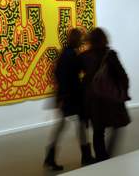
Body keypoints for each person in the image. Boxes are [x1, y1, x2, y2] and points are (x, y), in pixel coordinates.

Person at [44, 28, 94, 171]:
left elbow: (57, 74)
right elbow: (68, 77)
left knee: (64, 126)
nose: (82, 41)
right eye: (80, 39)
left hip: (66, 97)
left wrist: (61, 96)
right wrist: (64, 97)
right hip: (71, 98)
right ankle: (86, 156)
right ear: (76, 40)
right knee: (80, 124)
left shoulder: (65, 53)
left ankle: (50, 157)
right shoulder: (71, 55)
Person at [80, 27, 131, 162]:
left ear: (90, 40)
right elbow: (123, 76)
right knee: (117, 126)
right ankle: (108, 156)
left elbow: (81, 80)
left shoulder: (84, 56)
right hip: (111, 99)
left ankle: (101, 158)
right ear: (104, 39)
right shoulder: (110, 55)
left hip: (93, 101)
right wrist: (123, 93)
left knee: (98, 131)